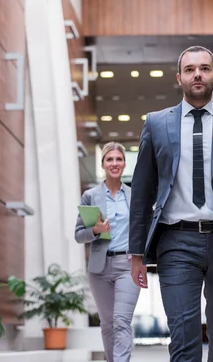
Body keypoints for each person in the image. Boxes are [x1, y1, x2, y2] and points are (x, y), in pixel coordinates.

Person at [129, 46, 213, 362]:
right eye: (190, 69)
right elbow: (142, 192)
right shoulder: (155, 124)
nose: (197, 74)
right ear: (179, 77)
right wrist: (136, 252)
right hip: (176, 241)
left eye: (204, 68)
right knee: (182, 336)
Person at [75, 142, 140, 362]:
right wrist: (95, 230)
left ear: (124, 163)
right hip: (99, 268)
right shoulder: (91, 196)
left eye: (119, 159)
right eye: (110, 159)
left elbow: (144, 228)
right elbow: (78, 235)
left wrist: (141, 253)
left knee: (122, 321)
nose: (114, 163)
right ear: (103, 164)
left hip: (128, 266)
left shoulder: (134, 195)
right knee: (108, 323)